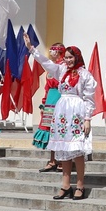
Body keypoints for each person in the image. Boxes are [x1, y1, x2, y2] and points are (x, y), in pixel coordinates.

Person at [30, 41, 97, 200]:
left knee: (77, 150)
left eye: (70, 57)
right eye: (66, 58)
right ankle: (65, 185)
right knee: (63, 150)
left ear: (77, 57)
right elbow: (46, 62)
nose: (68, 60)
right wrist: (32, 49)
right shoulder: (61, 70)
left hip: (77, 112)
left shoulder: (85, 75)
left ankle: (80, 185)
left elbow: (89, 99)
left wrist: (87, 119)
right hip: (62, 112)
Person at [32, 44, 65, 172]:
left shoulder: (62, 67)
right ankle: (52, 160)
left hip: (59, 98)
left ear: (59, 52)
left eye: (53, 49)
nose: (50, 51)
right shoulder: (51, 66)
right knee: (50, 130)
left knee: (59, 129)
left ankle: (62, 160)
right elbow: (47, 87)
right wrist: (44, 103)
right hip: (50, 99)